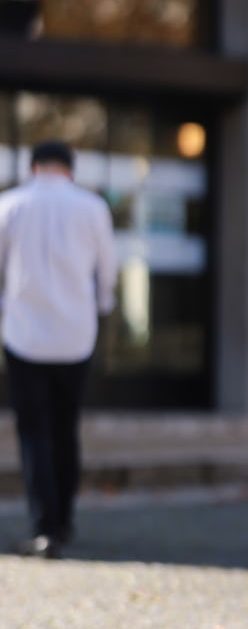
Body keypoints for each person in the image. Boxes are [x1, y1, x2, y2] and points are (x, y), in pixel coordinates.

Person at [0, 140, 118, 559]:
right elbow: (107, 273)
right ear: (70, 168)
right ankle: (64, 522)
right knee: (65, 429)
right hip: (76, 335)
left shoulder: (10, 205)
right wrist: (102, 309)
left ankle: (43, 526)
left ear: (33, 166)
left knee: (34, 433)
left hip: (23, 334)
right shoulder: (92, 207)